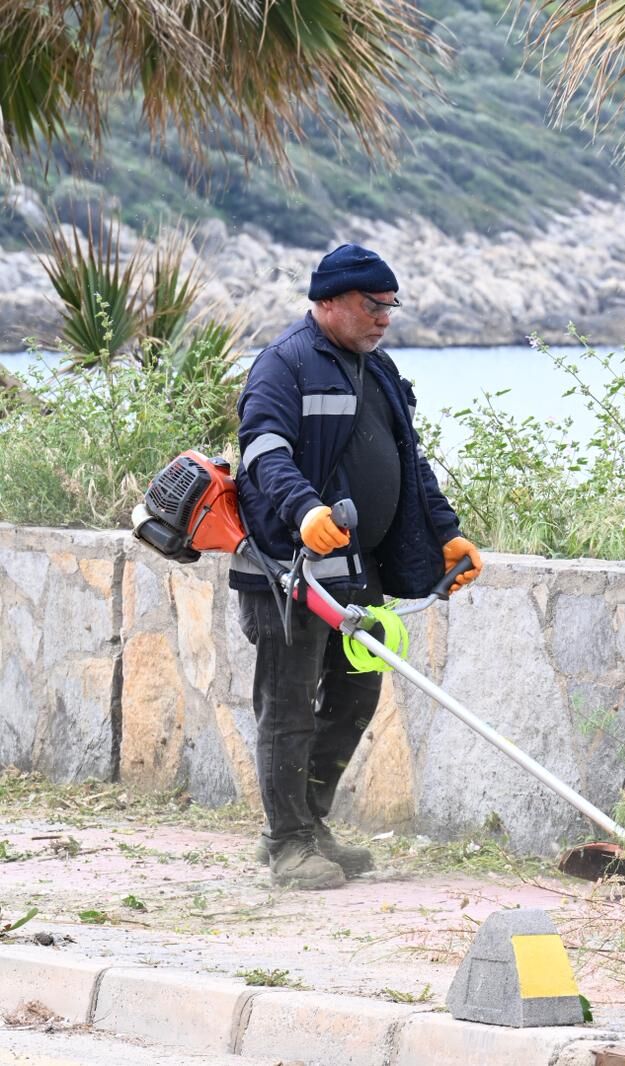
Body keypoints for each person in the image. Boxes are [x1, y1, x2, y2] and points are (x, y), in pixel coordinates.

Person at [230, 243, 484, 889]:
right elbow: (263, 450)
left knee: (353, 696)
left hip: (357, 569)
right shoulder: (284, 364)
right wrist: (304, 509)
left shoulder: (378, 368)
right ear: (329, 302)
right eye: (373, 306)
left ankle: (310, 827)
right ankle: (288, 845)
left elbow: (410, 461)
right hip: (290, 567)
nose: (384, 318)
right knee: (287, 706)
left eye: (390, 307)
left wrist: (447, 534)